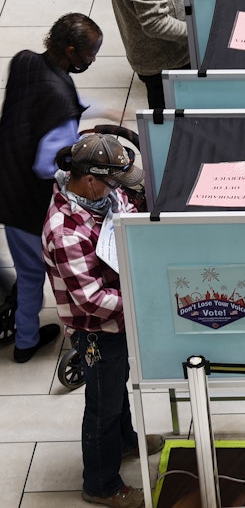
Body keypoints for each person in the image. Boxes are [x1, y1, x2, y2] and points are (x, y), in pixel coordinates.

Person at [42, 134, 163, 508]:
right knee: (102, 406)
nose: (119, 191)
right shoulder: (64, 232)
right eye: (113, 182)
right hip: (96, 331)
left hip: (119, 321)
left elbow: (124, 208)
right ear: (90, 178)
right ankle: (101, 484)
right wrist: (143, 301)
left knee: (115, 385)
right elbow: (91, 300)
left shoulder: (102, 197)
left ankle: (126, 441)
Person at [0, 13, 103, 363]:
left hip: (6, 183)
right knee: (42, 274)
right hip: (30, 206)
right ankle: (28, 342)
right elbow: (46, 166)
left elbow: (43, 101)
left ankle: (24, 332)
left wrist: (90, 111)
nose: (93, 60)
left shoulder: (25, 61)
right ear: (71, 50)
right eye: (90, 53)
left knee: (26, 270)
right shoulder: (60, 101)